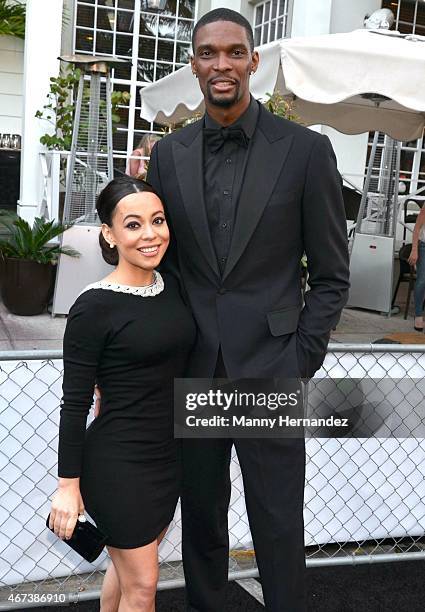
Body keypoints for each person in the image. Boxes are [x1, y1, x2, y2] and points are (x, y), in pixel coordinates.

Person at [100, 8, 350, 612]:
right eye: (208, 53)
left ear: (252, 62)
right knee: (202, 525)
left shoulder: (307, 151)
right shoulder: (170, 155)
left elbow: (333, 275)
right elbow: (164, 268)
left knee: (278, 520)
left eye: (234, 52)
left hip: (272, 369)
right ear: (194, 64)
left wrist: (299, 360)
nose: (222, 64)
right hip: (195, 366)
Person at [49, 176, 196, 612]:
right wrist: (68, 486)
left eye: (158, 220)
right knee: (145, 585)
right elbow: (74, 404)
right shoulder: (93, 306)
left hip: (167, 457)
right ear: (109, 235)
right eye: (133, 225)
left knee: (127, 570)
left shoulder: (172, 288)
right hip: (117, 463)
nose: (150, 234)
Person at [408, 204, 425, 331]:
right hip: (424, 245)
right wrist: (414, 250)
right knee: (422, 280)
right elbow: (417, 227)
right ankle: (418, 315)